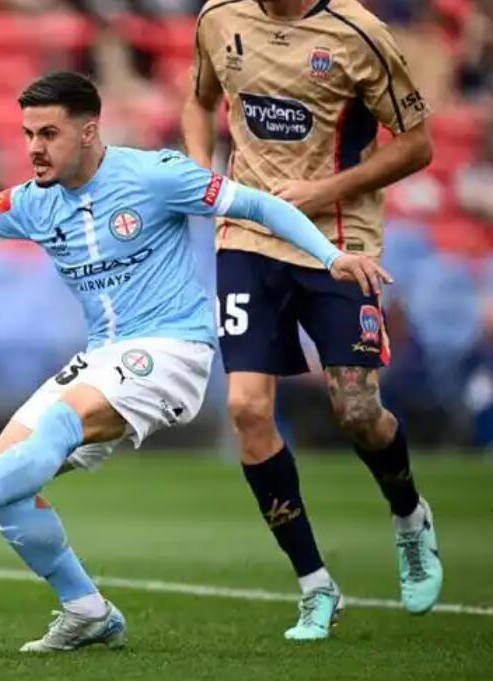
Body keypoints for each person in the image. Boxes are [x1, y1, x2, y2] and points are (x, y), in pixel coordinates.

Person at [0, 71, 390, 653]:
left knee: (57, 426)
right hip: (101, 356)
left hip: (172, 348)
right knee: (4, 478)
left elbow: (257, 205)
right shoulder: (33, 202)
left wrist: (330, 256)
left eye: (48, 133)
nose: (34, 148)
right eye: (28, 134)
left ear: (88, 131)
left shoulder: (154, 176)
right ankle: (86, 610)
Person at [182, 0, 442, 640]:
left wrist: (321, 192)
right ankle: (315, 585)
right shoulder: (219, 16)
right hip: (248, 238)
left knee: (356, 410)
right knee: (246, 409)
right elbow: (198, 101)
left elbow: (418, 145)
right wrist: (200, 176)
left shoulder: (359, 34)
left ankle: (409, 513)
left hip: (338, 240)